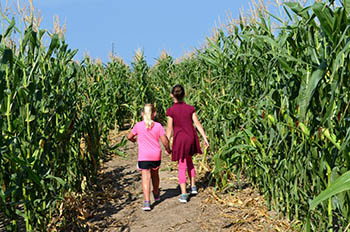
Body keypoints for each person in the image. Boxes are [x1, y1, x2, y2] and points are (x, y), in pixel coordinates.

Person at [166, 84, 209, 203]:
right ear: (184, 94)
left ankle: (184, 193)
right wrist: (204, 138)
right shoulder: (190, 108)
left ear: (171, 95)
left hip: (180, 140)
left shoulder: (171, 111)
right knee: (189, 161)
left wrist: (166, 144)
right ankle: (193, 186)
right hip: (191, 138)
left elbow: (169, 129)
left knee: (181, 165)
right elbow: (197, 123)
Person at [127, 103, 171, 211]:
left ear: (142, 114)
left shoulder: (138, 125)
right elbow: (164, 140)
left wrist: (133, 139)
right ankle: (156, 193)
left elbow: (129, 136)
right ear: (154, 114)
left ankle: (147, 202)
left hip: (143, 157)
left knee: (146, 178)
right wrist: (168, 149)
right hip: (155, 156)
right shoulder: (158, 126)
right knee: (155, 175)